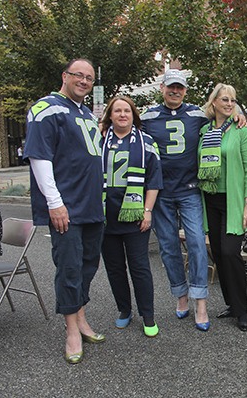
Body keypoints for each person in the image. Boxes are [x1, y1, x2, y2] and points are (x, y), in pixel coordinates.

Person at [141, 69, 246, 332]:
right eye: (171, 87)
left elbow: (222, 112)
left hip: (190, 190)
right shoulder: (148, 116)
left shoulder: (197, 115)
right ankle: (181, 294)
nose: (175, 91)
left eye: (180, 87)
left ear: (186, 90)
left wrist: (239, 113)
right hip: (162, 192)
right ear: (162, 88)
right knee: (168, 247)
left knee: (198, 244)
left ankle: (201, 301)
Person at [24, 59, 105, 364]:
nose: (84, 81)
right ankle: (71, 330)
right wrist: (55, 202)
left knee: (87, 266)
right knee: (69, 268)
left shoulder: (84, 111)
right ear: (65, 76)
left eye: (89, 78)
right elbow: (40, 157)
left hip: (92, 205)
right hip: (67, 207)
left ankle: (81, 318)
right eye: (78, 75)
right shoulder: (46, 108)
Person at [100, 96, 163, 337]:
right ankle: (124, 310)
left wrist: (147, 211)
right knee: (115, 268)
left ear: (133, 115)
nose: (122, 114)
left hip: (136, 217)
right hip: (107, 217)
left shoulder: (146, 142)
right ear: (111, 115)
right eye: (117, 111)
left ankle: (148, 315)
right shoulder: (99, 141)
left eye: (127, 110)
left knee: (139, 268)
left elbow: (154, 180)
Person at [198, 83, 247, 332]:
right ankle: (231, 304)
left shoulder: (241, 130)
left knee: (231, 253)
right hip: (210, 199)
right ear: (214, 103)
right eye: (225, 99)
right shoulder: (203, 131)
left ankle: (242, 310)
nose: (230, 104)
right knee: (219, 254)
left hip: (233, 201)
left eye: (233, 100)